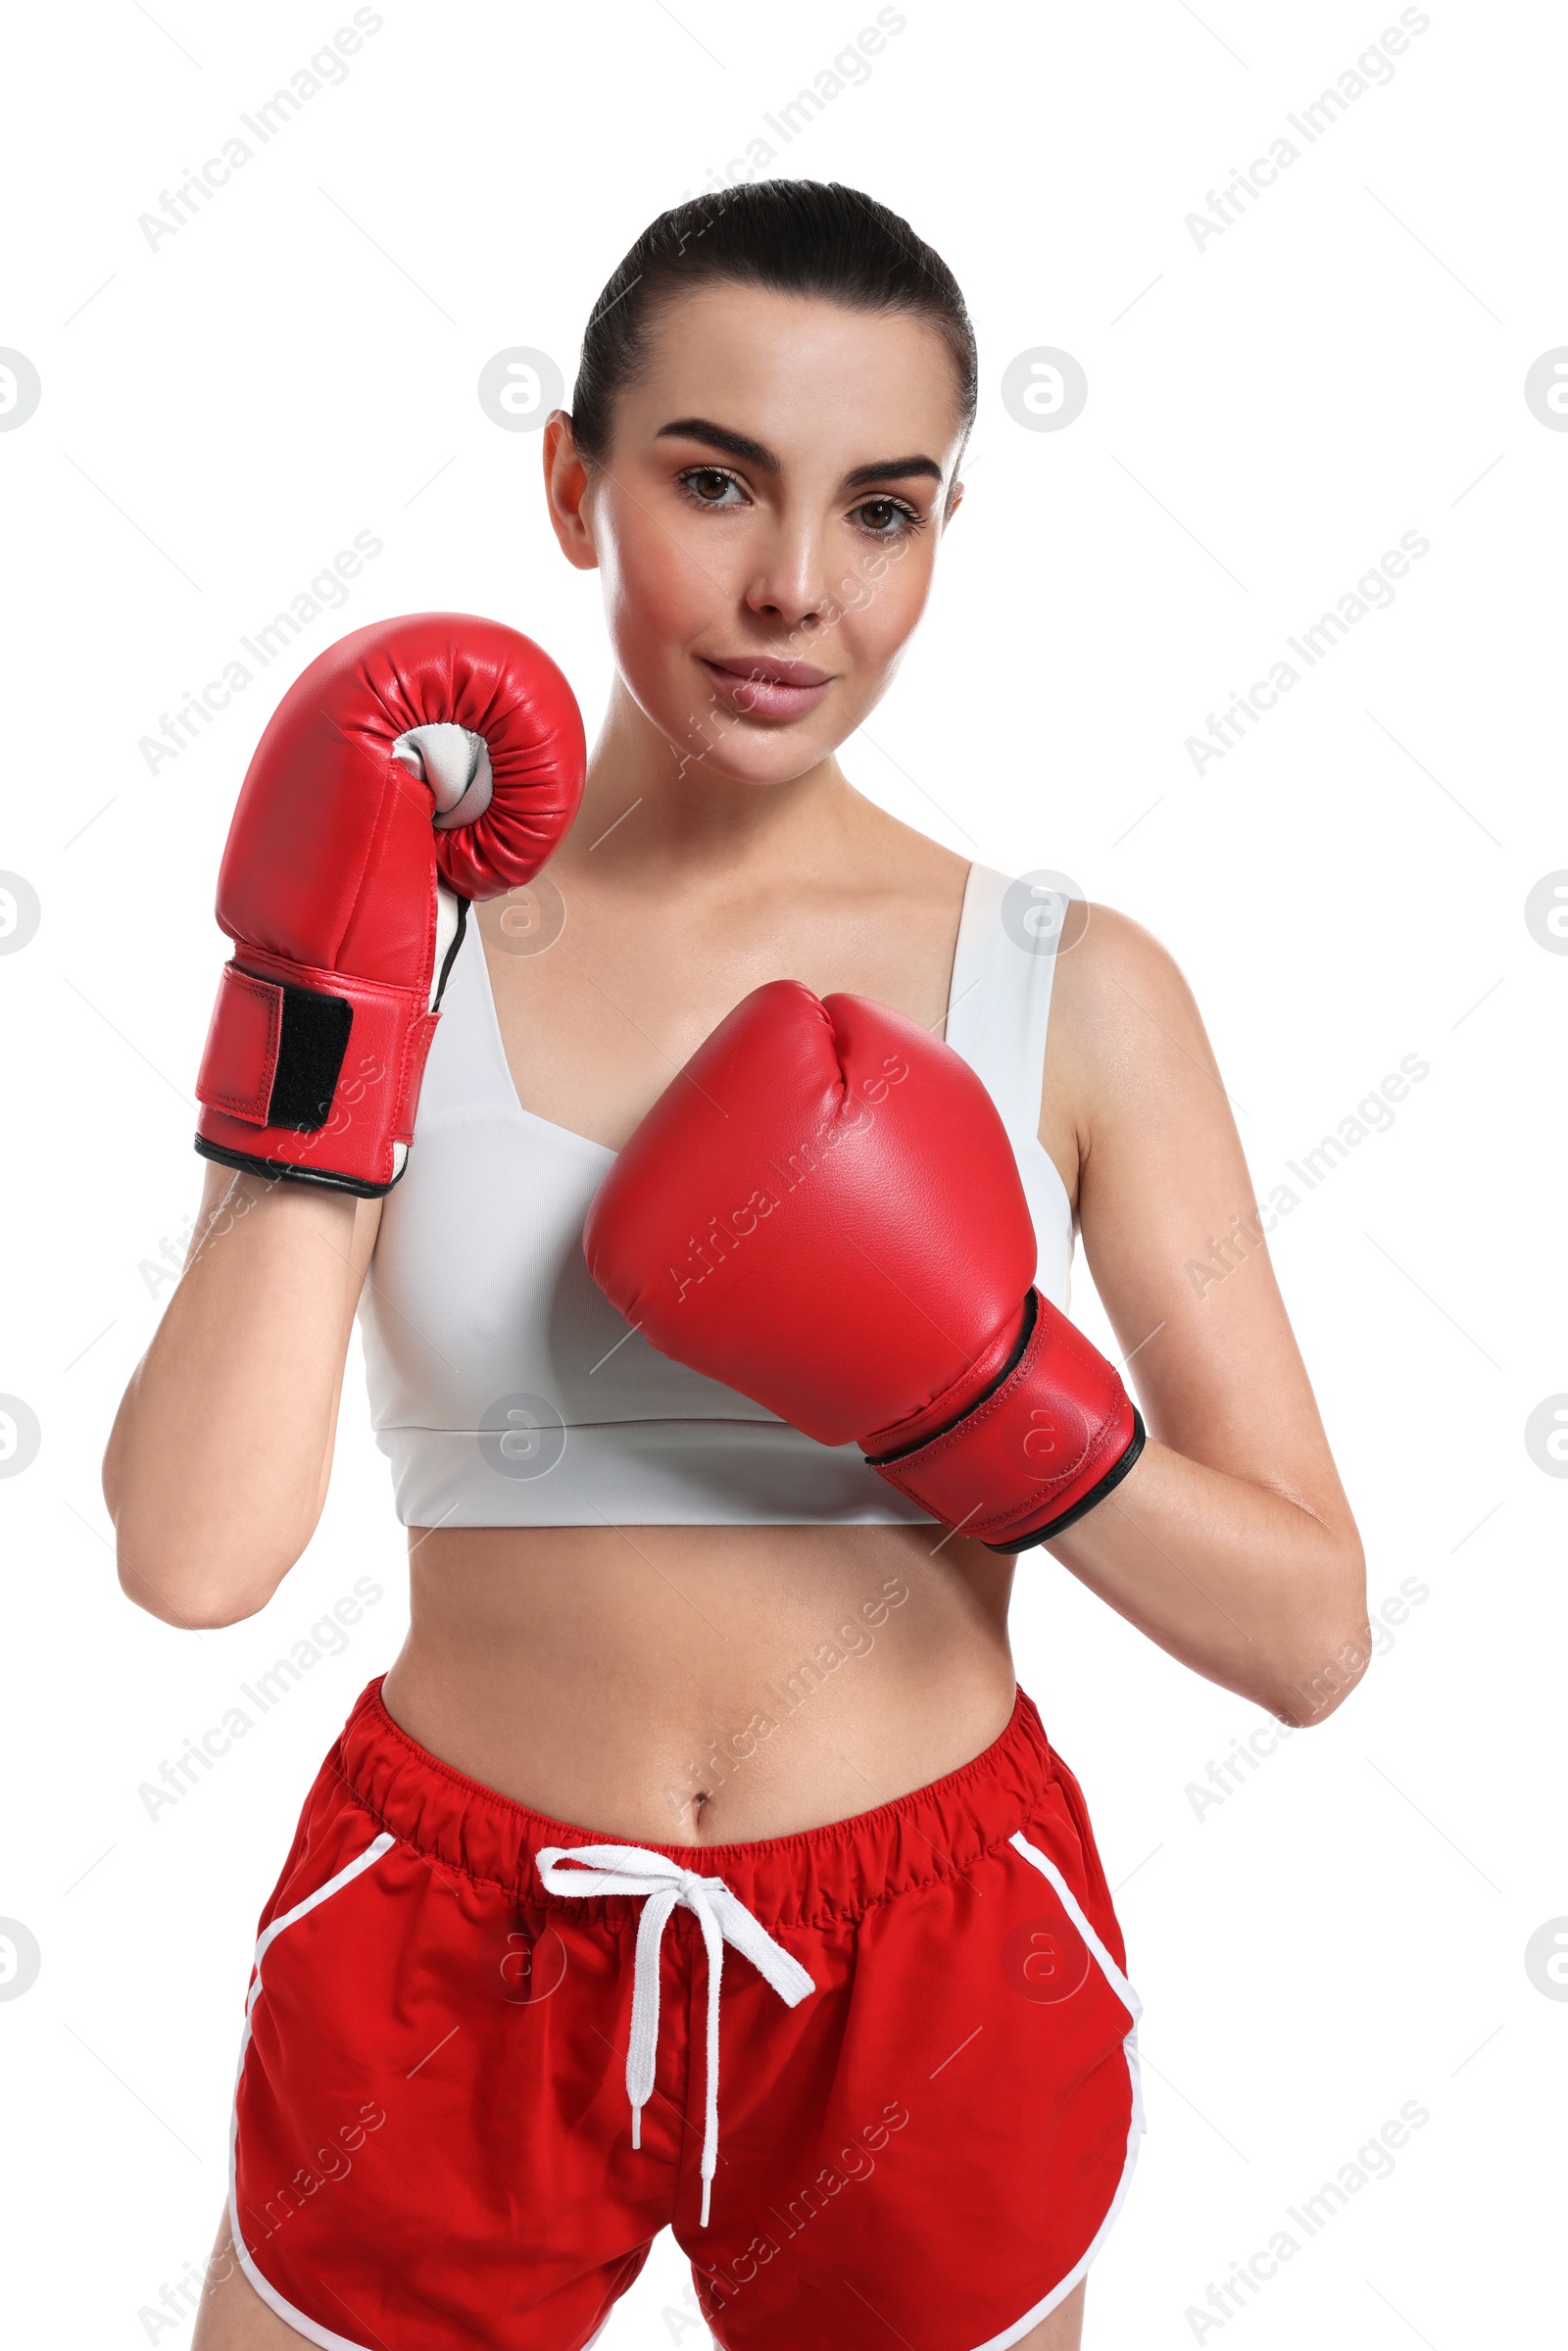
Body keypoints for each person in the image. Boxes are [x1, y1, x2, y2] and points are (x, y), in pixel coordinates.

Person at [105, 180, 1369, 2351]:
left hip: (926, 1948)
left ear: (942, 529)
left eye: (882, 510)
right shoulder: (410, 948)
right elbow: (196, 1560)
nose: (797, 590)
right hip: (454, 1931)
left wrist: (983, 1407)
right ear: (571, 485)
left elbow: (1307, 1635)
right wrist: (328, 1028)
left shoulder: (1068, 989)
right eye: (715, 482)